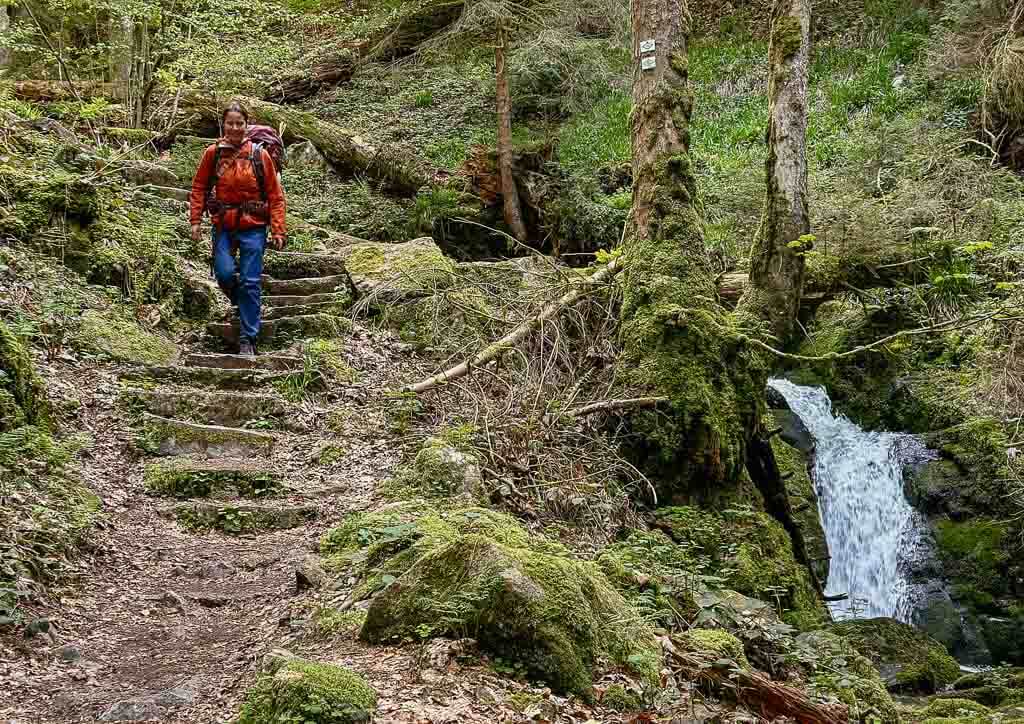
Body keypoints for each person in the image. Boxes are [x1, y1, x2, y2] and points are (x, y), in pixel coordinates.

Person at [189, 101, 286, 356]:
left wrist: (277, 230)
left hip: (254, 225)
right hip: (223, 224)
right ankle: (243, 304)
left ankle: (248, 339)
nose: (234, 127)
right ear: (224, 125)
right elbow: (199, 187)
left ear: (246, 125)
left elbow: (276, 196)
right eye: (230, 123)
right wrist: (196, 221)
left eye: (239, 123)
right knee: (223, 274)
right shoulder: (213, 153)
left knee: (251, 281)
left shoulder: (259, 154)